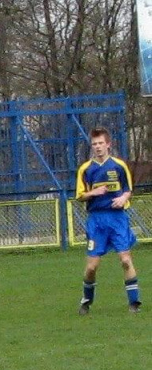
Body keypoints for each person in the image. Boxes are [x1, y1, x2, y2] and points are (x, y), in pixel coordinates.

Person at [76, 128, 141, 315]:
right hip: (96, 221)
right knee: (91, 267)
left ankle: (134, 303)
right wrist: (93, 193)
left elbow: (128, 189)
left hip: (117, 219)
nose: (97, 147)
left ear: (108, 144)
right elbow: (80, 195)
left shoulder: (119, 166)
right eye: (94, 144)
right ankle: (86, 301)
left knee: (126, 261)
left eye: (100, 143)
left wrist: (123, 198)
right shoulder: (86, 169)